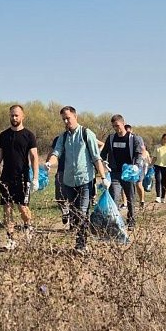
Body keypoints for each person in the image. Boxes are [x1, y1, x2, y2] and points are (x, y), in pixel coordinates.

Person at [46, 106, 109, 255]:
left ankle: (81, 244)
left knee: (82, 212)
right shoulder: (63, 137)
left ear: (75, 116)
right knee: (75, 213)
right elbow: (56, 152)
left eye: (68, 118)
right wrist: (50, 162)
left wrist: (103, 177)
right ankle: (80, 241)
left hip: (85, 180)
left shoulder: (87, 134)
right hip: (68, 181)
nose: (66, 121)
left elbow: (96, 157)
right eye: (64, 119)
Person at [0, 105, 39, 250]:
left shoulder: (29, 135)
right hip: (6, 178)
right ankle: (11, 239)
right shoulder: (4, 135)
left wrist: (35, 178)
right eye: (12, 115)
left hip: (22, 178)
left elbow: (34, 157)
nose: (14, 118)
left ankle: (28, 227)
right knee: (7, 209)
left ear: (22, 116)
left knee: (23, 209)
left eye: (16, 115)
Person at [100, 115, 144, 230]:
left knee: (130, 197)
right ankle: (115, 222)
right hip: (114, 173)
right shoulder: (110, 138)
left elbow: (139, 154)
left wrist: (137, 165)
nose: (116, 128)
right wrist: (103, 162)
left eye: (118, 126)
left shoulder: (133, 138)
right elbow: (103, 154)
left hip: (129, 174)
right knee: (114, 196)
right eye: (113, 126)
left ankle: (131, 220)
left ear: (123, 124)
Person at [125, 125, 150, 209]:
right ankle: (126, 203)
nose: (127, 133)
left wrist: (137, 164)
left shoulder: (137, 139)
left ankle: (142, 201)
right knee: (126, 184)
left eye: (129, 131)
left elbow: (143, 151)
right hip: (128, 166)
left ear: (131, 130)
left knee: (138, 184)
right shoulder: (122, 139)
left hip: (138, 166)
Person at [150, 133, 166, 203]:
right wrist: (151, 165)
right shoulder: (157, 147)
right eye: (164, 139)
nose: (165, 140)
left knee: (163, 182)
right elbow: (154, 157)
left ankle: (163, 197)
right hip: (157, 166)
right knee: (158, 180)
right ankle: (158, 196)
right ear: (162, 139)